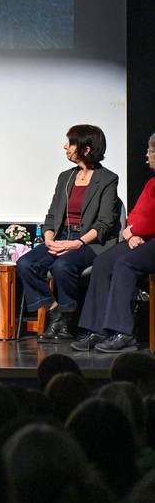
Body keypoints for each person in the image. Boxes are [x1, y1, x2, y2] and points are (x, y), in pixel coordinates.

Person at [16, 125, 120, 341]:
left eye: (71, 143)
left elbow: (105, 223)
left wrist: (77, 243)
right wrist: (49, 239)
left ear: (87, 149)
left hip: (91, 242)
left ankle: (69, 319)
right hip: (62, 237)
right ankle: (57, 312)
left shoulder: (108, 179)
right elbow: (52, 215)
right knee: (26, 264)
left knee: (62, 266)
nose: (65, 146)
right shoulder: (65, 177)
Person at [72, 132, 155, 353]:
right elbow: (136, 213)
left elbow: (150, 220)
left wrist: (134, 230)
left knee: (125, 264)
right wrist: (131, 233)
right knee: (103, 262)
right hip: (142, 238)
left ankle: (123, 333)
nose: (147, 155)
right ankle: (97, 329)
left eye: (150, 151)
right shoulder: (151, 183)